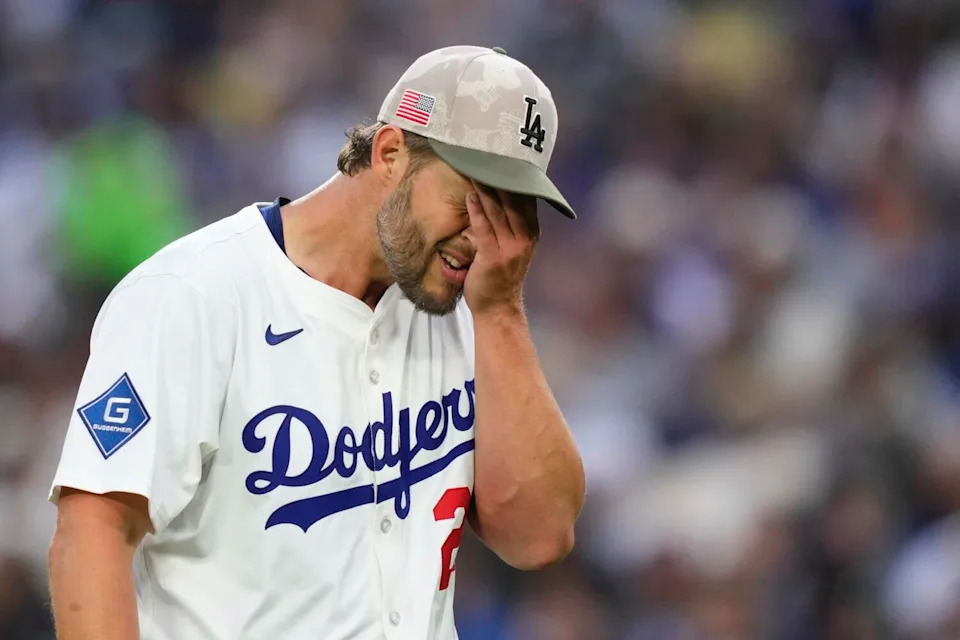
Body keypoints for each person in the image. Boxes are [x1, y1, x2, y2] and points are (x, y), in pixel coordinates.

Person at [46, 45, 585, 640]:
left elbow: (540, 537)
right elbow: (93, 529)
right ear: (389, 154)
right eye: (472, 201)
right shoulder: (194, 294)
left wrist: (503, 312)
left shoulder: (473, 308)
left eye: (511, 212)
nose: (484, 236)